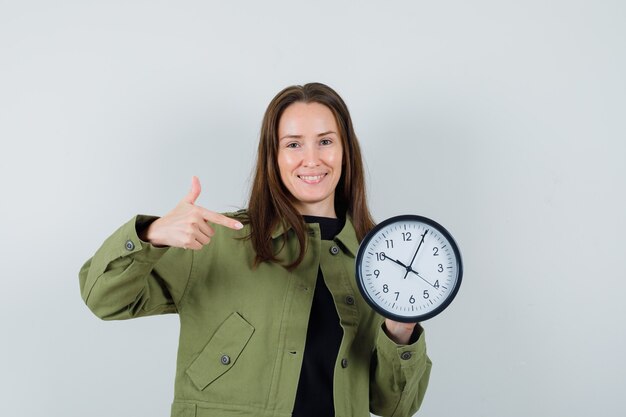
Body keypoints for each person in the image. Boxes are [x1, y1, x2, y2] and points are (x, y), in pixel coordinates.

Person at [79, 82, 432, 417]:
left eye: (325, 141)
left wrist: (400, 330)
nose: (312, 159)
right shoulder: (215, 241)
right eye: (293, 144)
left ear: (345, 151)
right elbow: (104, 299)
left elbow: (394, 407)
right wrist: (151, 234)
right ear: (273, 155)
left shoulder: (379, 262)